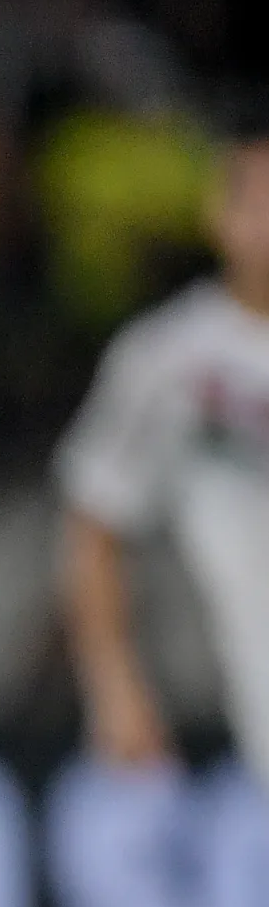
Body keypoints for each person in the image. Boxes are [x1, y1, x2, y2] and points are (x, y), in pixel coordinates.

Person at [55, 117, 269, 790]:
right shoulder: (168, 358)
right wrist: (115, 687)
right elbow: (93, 522)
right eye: (255, 200)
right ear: (219, 215)